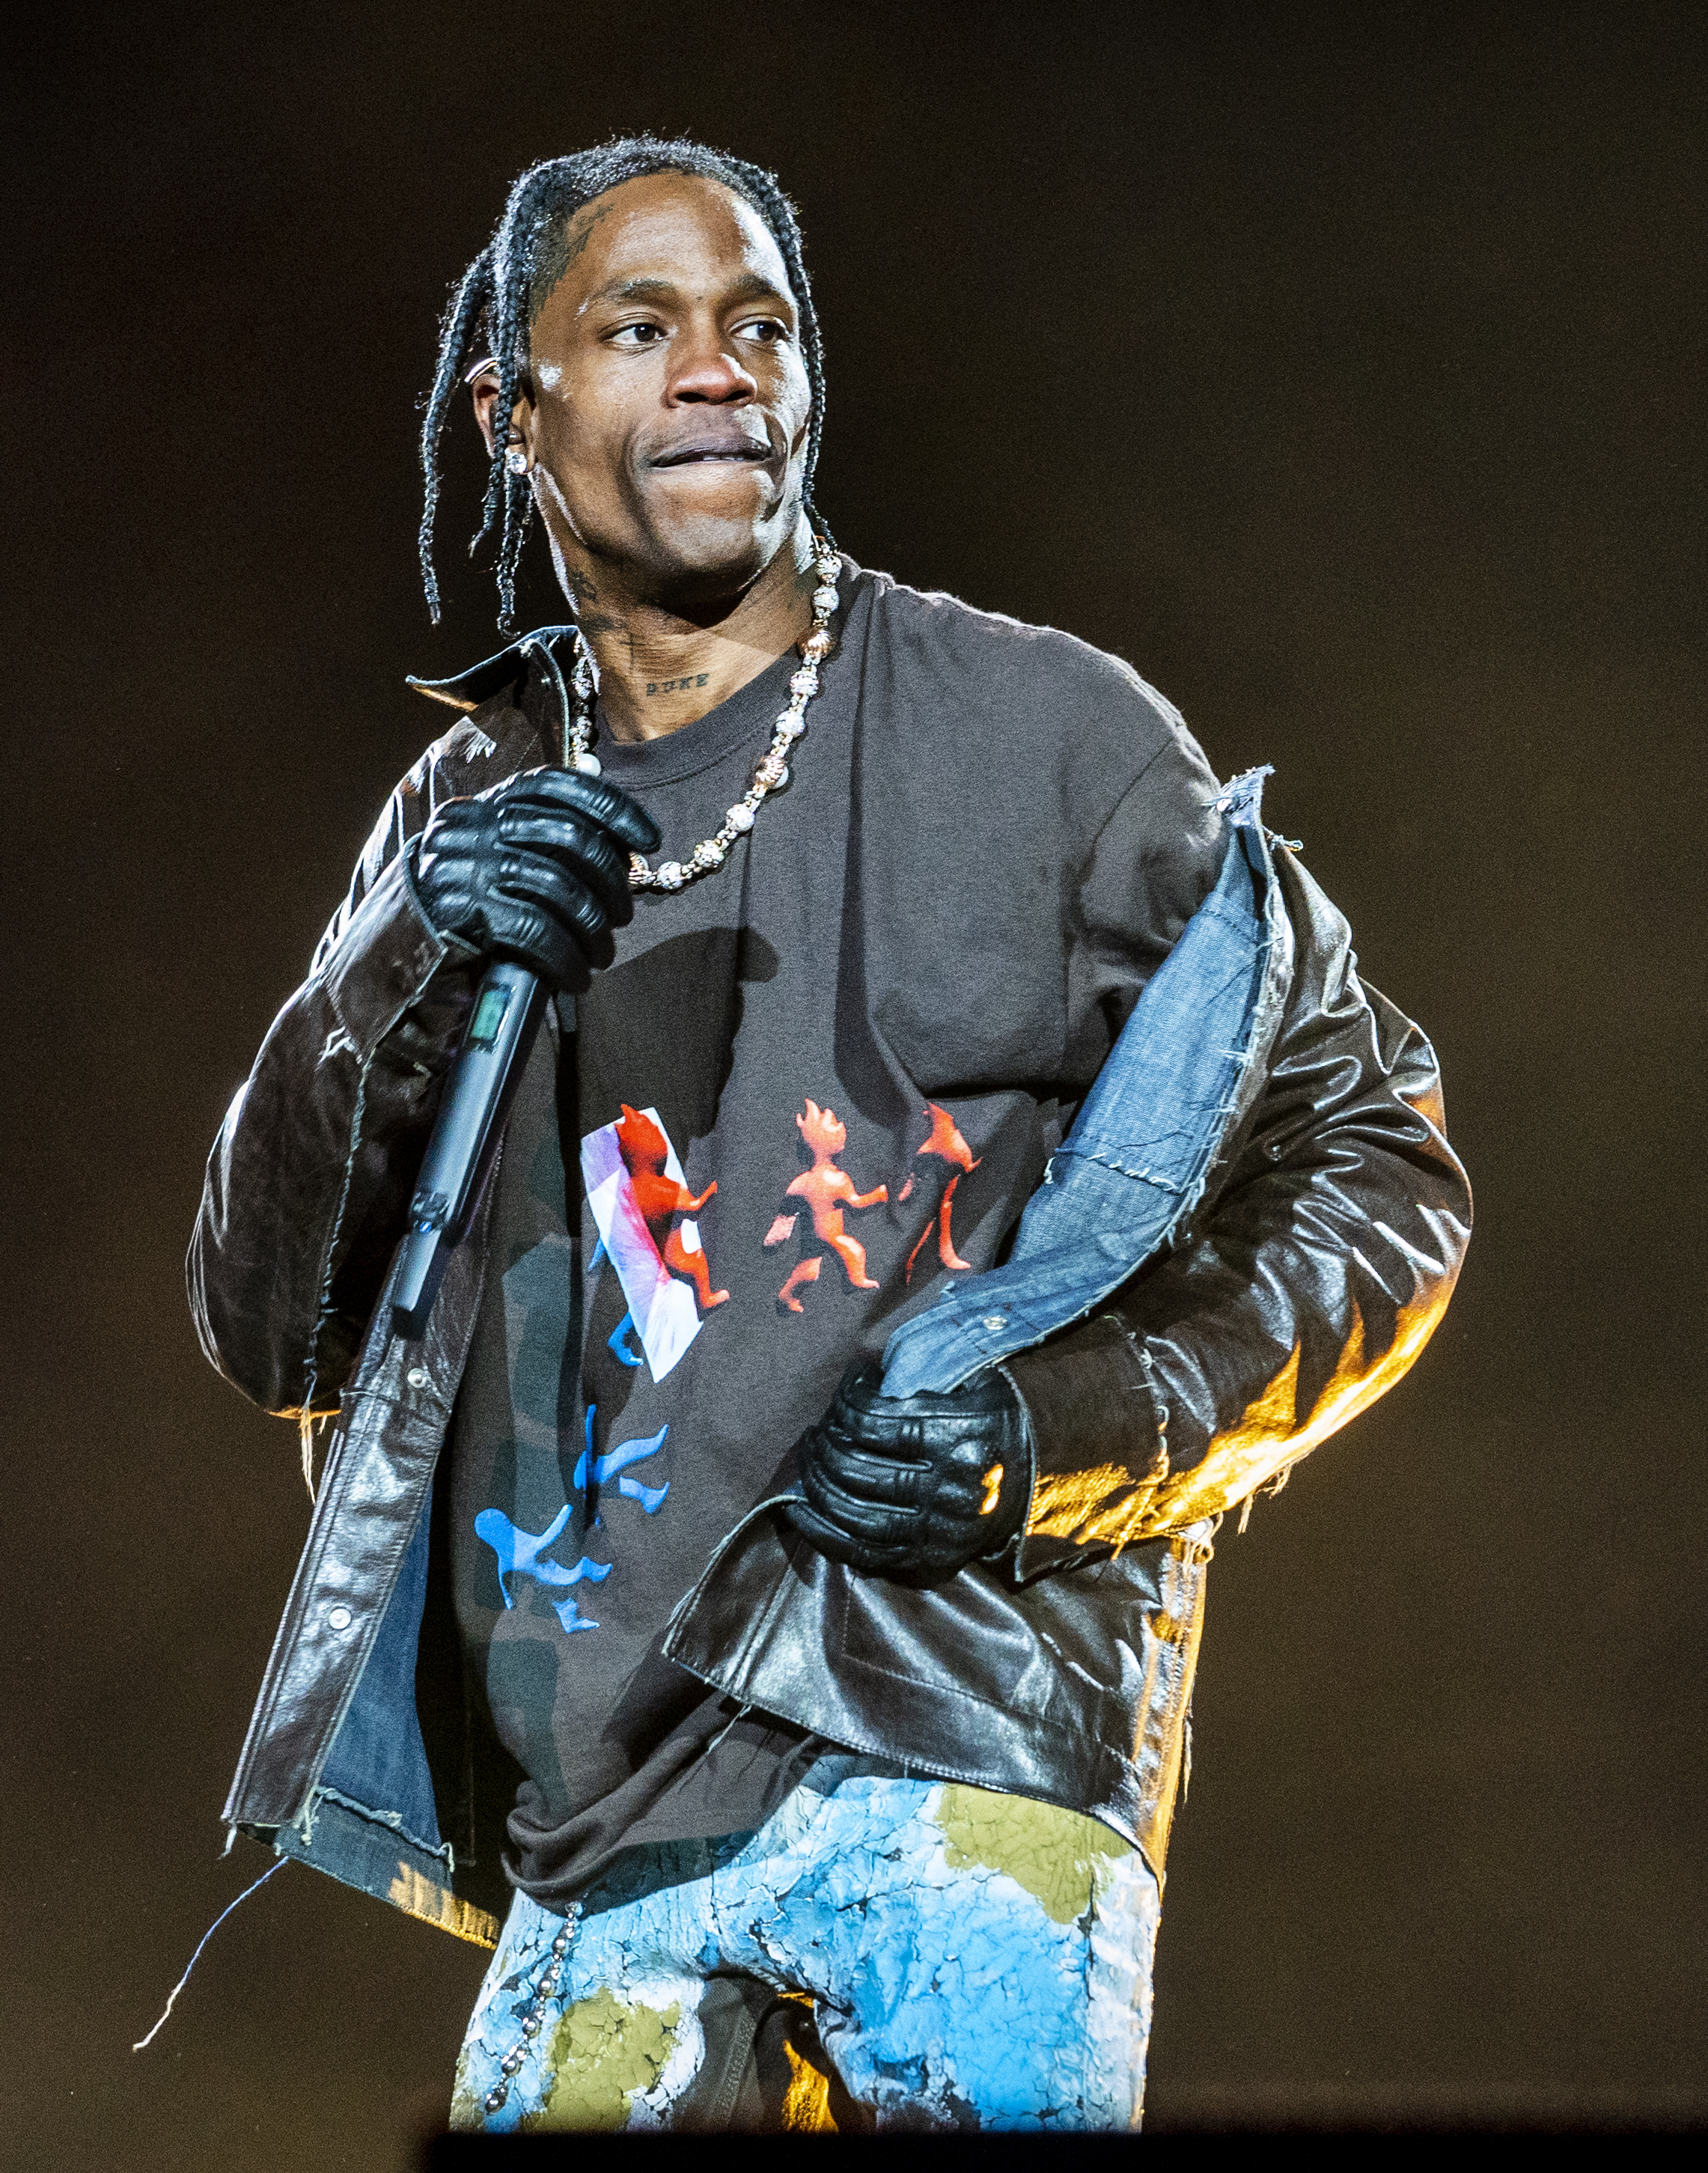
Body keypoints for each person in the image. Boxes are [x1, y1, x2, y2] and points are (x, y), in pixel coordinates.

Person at [186, 137, 1470, 2131]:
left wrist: (1068, 1437)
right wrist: (401, 972)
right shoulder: (465, 817)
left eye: (759, 326)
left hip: (959, 1767)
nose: (718, 373)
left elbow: (1378, 1171)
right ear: (512, 411)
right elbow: (264, 1320)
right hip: (597, 1833)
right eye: (640, 328)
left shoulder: (1044, 740)